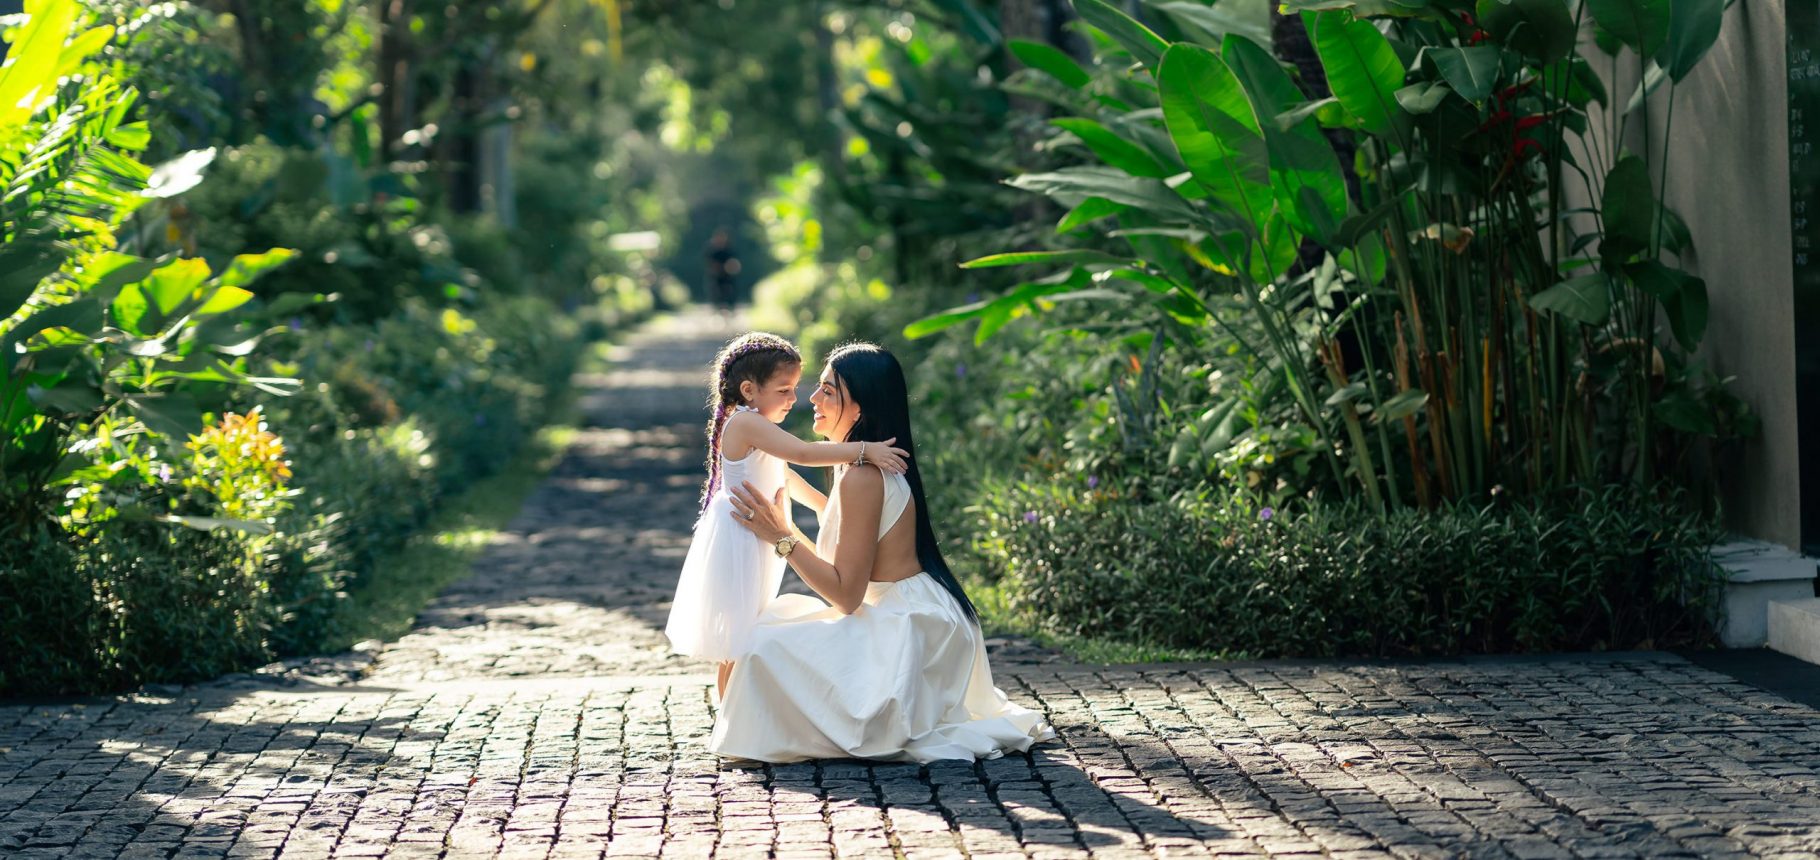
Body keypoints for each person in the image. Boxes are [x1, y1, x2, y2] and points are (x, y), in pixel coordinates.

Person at [714, 342, 1055, 763]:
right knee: (771, 627)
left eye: (828, 391)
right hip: (908, 614)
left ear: (860, 408)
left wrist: (782, 536)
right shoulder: (853, 467)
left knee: (760, 648)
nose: (812, 400)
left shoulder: (862, 475)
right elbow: (797, 479)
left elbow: (846, 596)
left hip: (906, 630)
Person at [664, 332, 908, 699]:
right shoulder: (745, 423)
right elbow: (804, 455)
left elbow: (784, 476)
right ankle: (729, 709)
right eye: (784, 390)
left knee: (747, 628)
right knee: (739, 636)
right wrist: (864, 450)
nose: (796, 399)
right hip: (742, 536)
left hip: (755, 536)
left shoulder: (757, 427)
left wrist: (827, 508)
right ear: (749, 390)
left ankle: (733, 706)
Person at [705, 228, 741, 312]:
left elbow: (734, 262)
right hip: (716, 275)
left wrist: (730, 267)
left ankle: (730, 307)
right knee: (715, 290)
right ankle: (717, 307)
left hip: (728, 275)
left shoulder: (729, 249)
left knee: (731, 289)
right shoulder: (712, 250)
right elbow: (709, 263)